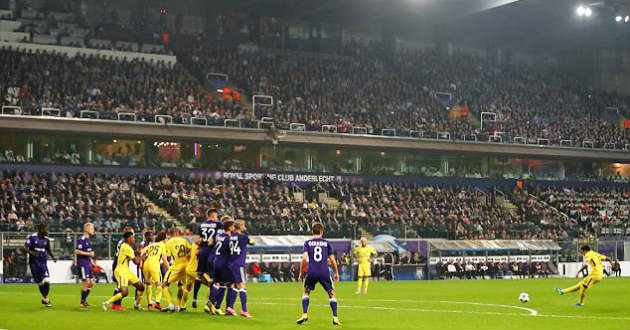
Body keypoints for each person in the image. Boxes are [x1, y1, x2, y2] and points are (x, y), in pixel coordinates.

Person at [296, 222, 341, 326]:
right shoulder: (326, 243)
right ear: (321, 232)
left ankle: (304, 314)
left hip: (311, 271)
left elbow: (303, 259)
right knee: (331, 294)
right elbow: (333, 261)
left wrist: (300, 273)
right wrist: (336, 273)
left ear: (312, 232)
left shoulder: (307, 243)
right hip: (324, 271)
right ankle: (335, 318)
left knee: (306, 292)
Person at [102, 231, 145, 310]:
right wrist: (143, 256)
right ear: (129, 238)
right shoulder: (127, 247)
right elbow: (136, 262)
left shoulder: (125, 246)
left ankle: (137, 305)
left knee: (141, 287)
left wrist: (136, 252)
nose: (134, 239)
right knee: (125, 293)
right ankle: (106, 303)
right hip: (121, 271)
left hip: (126, 271)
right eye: (133, 237)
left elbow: (129, 255)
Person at [192, 208, 222, 309]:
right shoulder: (217, 224)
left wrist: (202, 245)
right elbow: (218, 238)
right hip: (212, 252)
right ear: (213, 216)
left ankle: (194, 298)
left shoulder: (201, 225)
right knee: (215, 278)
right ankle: (211, 301)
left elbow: (196, 240)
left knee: (199, 275)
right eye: (216, 216)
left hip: (203, 252)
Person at [22, 224, 57, 307]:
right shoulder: (32, 237)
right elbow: (25, 247)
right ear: (41, 229)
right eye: (46, 229)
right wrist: (32, 252)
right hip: (33, 263)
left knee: (47, 280)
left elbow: (48, 250)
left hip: (43, 262)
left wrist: (53, 257)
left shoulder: (46, 239)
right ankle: (46, 299)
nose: (47, 231)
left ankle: (45, 299)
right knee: (40, 283)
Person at [206, 216, 234, 316]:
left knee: (217, 283)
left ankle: (213, 305)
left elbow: (210, 243)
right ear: (230, 227)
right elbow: (231, 252)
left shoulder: (218, 235)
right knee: (224, 285)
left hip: (215, 261)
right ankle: (213, 302)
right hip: (223, 263)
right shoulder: (229, 238)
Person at [225, 219, 253, 317]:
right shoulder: (243, 237)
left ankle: (230, 307)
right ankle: (244, 310)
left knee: (235, 286)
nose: (244, 227)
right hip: (239, 263)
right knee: (242, 286)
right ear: (240, 226)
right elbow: (252, 242)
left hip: (230, 264)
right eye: (243, 225)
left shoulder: (230, 237)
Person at [161, 227, 191, 312]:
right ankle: (178, 305)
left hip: (177, 266)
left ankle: (170, 304)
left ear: (170, 234)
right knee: (180, 285)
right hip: (186, 265)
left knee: (165, 284)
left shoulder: (169, 242)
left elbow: (169, 257)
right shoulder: (184, 240)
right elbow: (190, 250)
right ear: (177, 232)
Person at [141, 231, 169, 310]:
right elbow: (164, 258)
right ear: (164, 239)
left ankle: (149, 305)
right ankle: (157, 303)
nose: (167, 240)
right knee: (158, 284)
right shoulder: (162, 245)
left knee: (149, 284)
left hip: (146, 265)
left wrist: (141, 261)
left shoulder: (151, 244)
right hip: (154, 265)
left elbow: (142, 252)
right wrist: (169, 268)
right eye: (166, 238)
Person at [111, 226, 135, 310]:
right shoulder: (124, 243)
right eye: (132, 233)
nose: (133, 235)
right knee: (121, 285)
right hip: (119, 264)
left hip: (117, 262)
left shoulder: (122, 241)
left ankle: (115, 304)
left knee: (119, 285)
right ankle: (116, 304)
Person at [75, 223, 96, 307]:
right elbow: (77, 251)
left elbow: (89, 254)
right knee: (86, 282)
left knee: (91, 283)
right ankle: (82, 302)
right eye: (92, 228)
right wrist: (89, 254)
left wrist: (92, 262)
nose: (93, 230)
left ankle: (84, 300)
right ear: (86, 229)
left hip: (87, 264)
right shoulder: (82, 239)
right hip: (82, 263)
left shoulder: (89, 240)